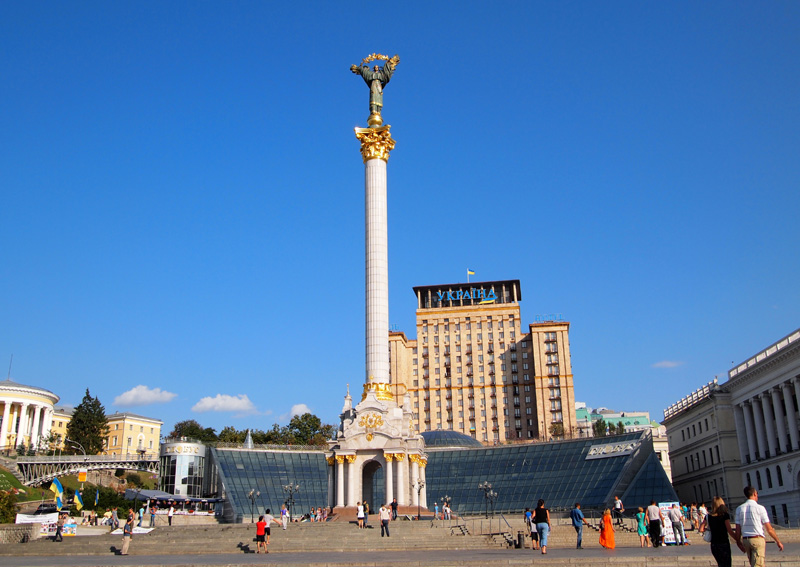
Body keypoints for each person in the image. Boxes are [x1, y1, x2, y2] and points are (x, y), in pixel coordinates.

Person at [733, 486, 783, 567]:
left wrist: (738, 542)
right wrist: (778, 541)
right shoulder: (760, 508)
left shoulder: (739, 509)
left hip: (746, 540)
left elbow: (738, 529)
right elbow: (769, 529)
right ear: (754, 494)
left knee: (757, 564)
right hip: (757, 539)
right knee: (758, 565)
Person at [700, 496, 742, 567]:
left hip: (714, 544)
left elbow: (701, 529)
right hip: (723, 543)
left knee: (720, 563)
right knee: (727, 564)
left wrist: (709, 529)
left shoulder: (708, 516)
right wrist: (738, 540)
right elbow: (729, 530)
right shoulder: (725, 515)